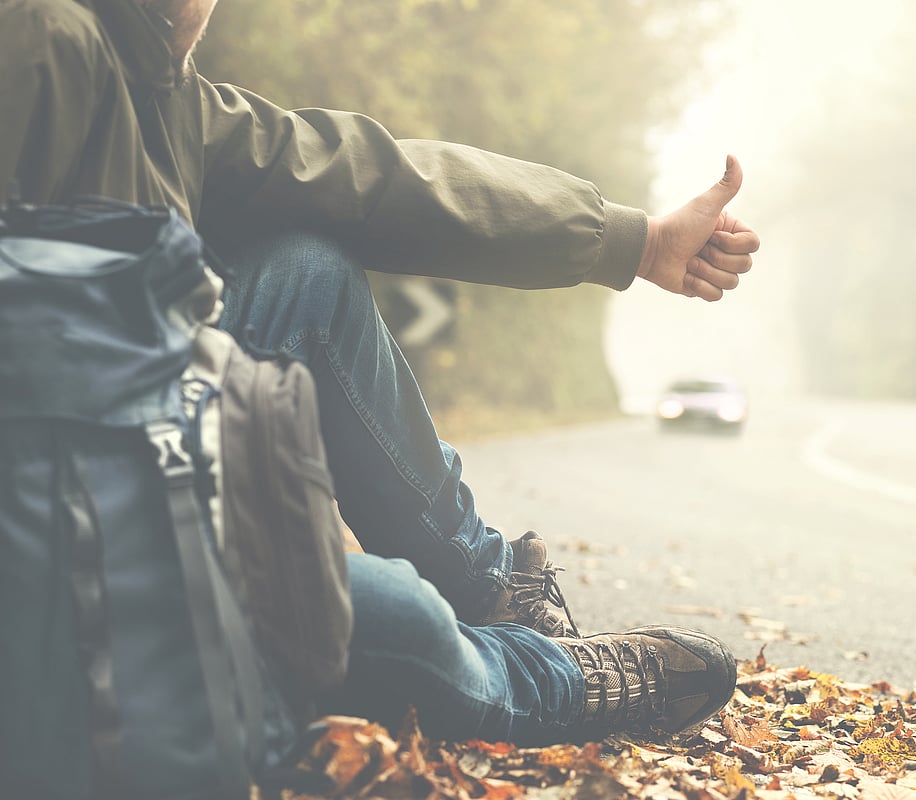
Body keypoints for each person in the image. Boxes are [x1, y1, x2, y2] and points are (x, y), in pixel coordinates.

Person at [0, 0, 761, 746]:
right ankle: (550, 682)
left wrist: (636, 242)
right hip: (66, 528)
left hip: (130, 443)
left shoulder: (154, 83)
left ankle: (494, 592)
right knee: (397, 621)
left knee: (309, 270)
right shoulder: (37, 42)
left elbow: (372, 179)